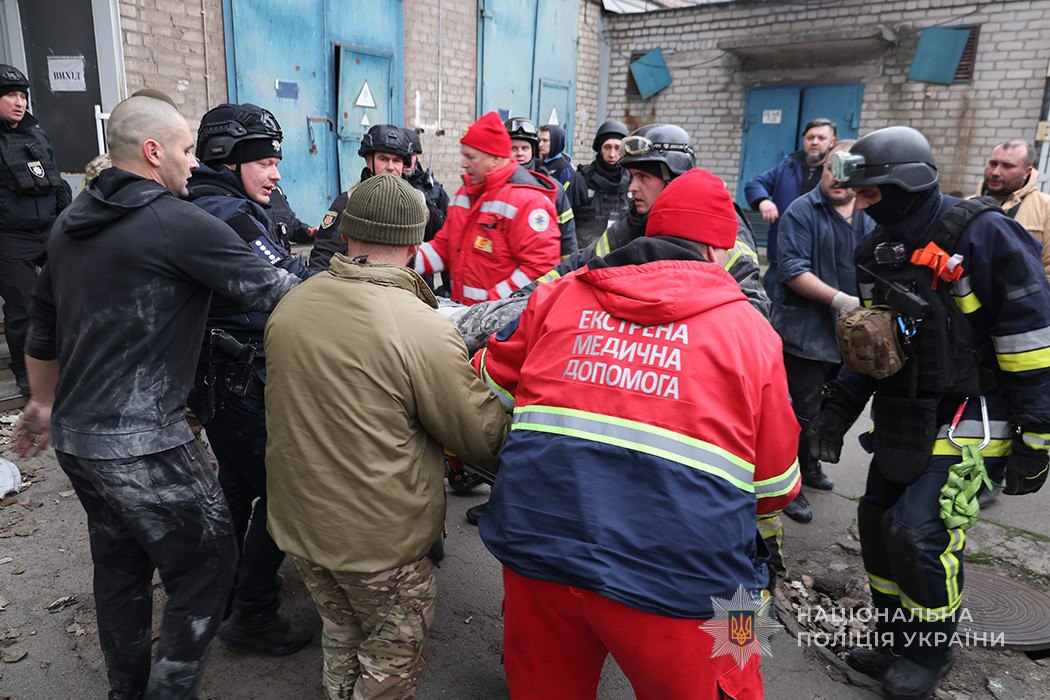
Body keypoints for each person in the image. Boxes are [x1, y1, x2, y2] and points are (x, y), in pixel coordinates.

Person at [11, 95, 300, 699]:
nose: (194, 164)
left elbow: (41, 330)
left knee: (121, 566)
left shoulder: (72, 222)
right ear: (152, 152)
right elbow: (286, 296)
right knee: (208, 564)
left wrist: (40, 404)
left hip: (77, 441)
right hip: (143, 441)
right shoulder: (181, 223)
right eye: (187, 150)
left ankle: (127, 690)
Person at [474, 167, 800, 699]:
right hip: (695, 583)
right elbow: (775, 488)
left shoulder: (561, 297)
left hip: (539, 555)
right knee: (734, 671)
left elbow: (491, 378)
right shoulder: (753, 336)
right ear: (720, 251)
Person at [808, 126, 1050, 699]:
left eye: (870, 195)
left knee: (918, 533)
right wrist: (833, 415)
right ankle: (895, 640)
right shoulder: (878, 251)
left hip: (978, 408)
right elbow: (872, 347)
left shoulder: (986, 235)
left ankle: (928, 654)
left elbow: (1033, 343)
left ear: (906, 187)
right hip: (905, 406)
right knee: (875, 523)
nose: (862, 207)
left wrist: (1037, 437)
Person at [264, 173, 510, 699]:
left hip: (303, 525)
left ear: (346, 232)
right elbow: (479, 435)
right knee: (390, 656)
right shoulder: (421, 326)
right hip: (379, 541)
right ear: (415, 243)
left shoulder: (292, 306)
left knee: (342, 631)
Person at [185, 102, 314, 656]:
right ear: (227, 158)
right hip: (238, 379)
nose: (276, 172)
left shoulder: (223, 204)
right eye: (264, 161)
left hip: (221, 378)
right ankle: (253, 611)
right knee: (289, 494)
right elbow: (283, 279)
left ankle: (217, 595)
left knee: (237, 489)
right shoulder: (227, 214)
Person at [771, 140, 875, 524]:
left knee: (832, 410)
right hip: (805, 335)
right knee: (798, 414)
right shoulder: (802, 210)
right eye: (831, 169)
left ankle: (810, 466)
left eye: (846, 171)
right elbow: (793, 270)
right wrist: (841, 301)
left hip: (850, 339)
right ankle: (787, 487)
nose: (836, 178)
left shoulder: (869, 214)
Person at [414, 112, 560, 306]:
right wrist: (404, 262)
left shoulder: (528, 202)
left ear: (496, 159)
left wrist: (491, 306)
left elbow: (541, 269)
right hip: (467, 316)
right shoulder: (464, 194)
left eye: (470, 157)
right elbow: (444, 248)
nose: (463, 163)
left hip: (502, 324)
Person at [0, 64, 70, 396]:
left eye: (23, 95)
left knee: (67, 297)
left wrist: (65, 221)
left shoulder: (37, 135)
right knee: (22, 309)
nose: (19, 102)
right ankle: (27, 372)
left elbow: (56, 182)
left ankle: (63, 361)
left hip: (49, 230)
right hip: (10, 237)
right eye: (11, 95)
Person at [744, 118, 837, 297]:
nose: (814, 142)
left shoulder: (834, 175)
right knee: (772, 314)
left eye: (821, 138)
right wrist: (763, 200)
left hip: (819, 265)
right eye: (810, 137)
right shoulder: (787, 166)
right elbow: (754, 183)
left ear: (831, 142)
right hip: (780, 259)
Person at [309, 123, 414, 272]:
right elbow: (322, 257)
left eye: (396, 160)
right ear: (368, 161)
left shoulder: (417, 202)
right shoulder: (348, 202)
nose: (391, 167)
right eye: (383, 159)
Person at [971, 139, 1050, 280]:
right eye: (993, 163)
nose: (995, 172)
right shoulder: (966, 204)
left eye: (1007, 166)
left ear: (1027, 172)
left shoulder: (1046, 208)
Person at [505, 116, 578, 258]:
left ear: (533, 150)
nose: (520, 153)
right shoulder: (494, 184)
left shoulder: (552, 188)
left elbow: (568, 240)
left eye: (525, 148)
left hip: (542, 272)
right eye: (514, 148)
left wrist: (568, 273)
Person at [566, 119, 630, 248]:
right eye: (607, 147)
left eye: (617, 148)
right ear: (600, 149)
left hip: (621, 260)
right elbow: (563, 224)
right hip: (583, 259)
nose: (612, 154)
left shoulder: (633, 182)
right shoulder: (579, 180)